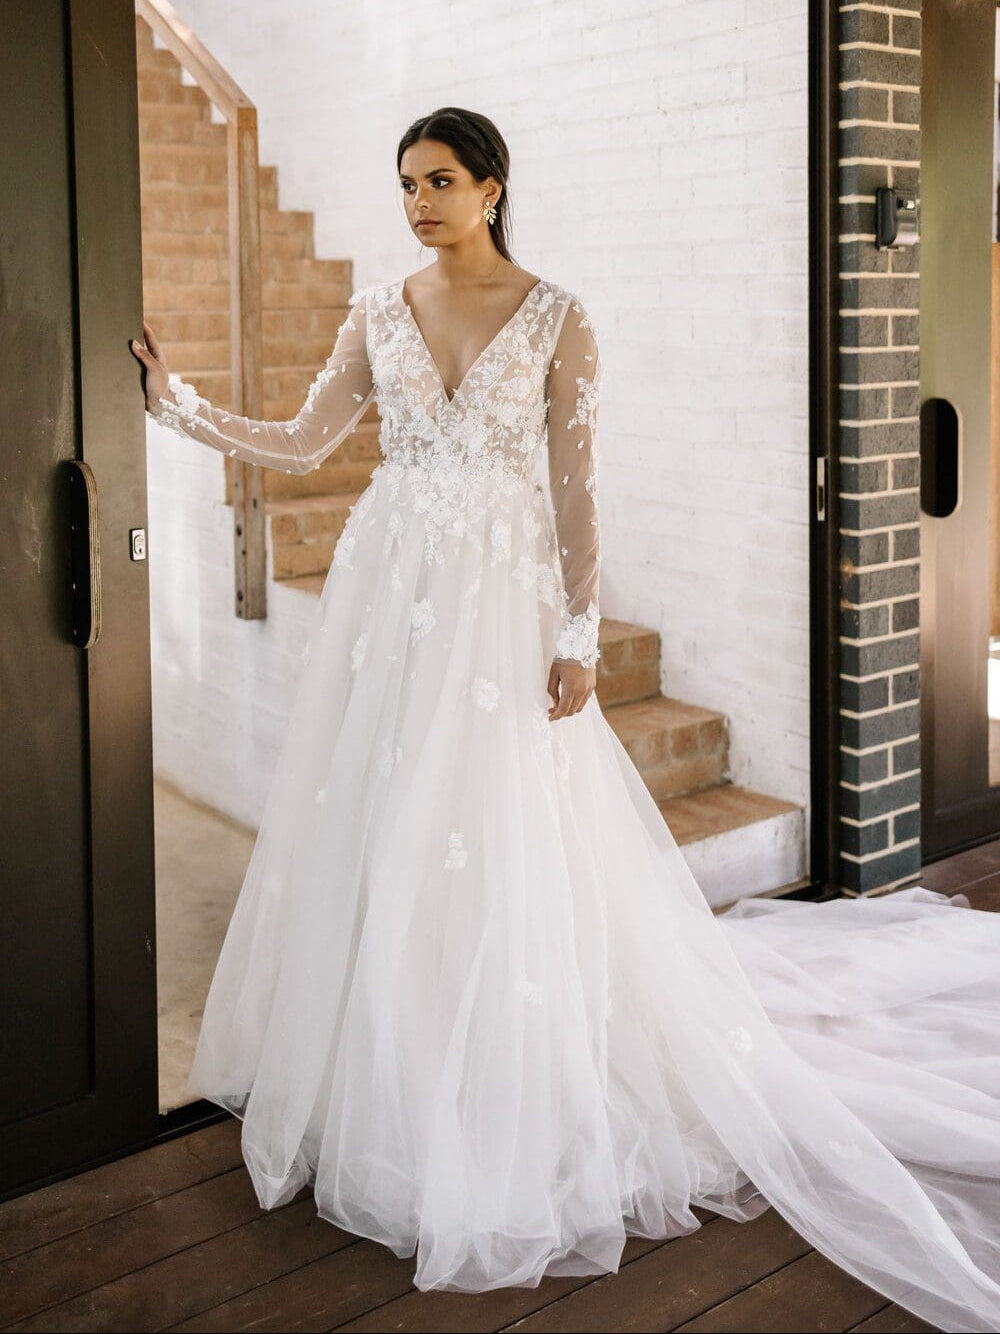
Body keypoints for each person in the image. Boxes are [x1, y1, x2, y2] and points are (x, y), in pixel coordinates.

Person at [131, 106, 1000, 1330]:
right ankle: (389, 1085)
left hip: (499, 604)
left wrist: (579, 634)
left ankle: (504, 1081)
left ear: (491, 187)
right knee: (381, 827)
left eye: (440, 180)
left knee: (494, 830)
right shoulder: (377, 310)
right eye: (406, 184)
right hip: (391, 601)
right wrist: (177, 404)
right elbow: (304, 440)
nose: (418, 202)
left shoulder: (556, 316)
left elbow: (577, 491)